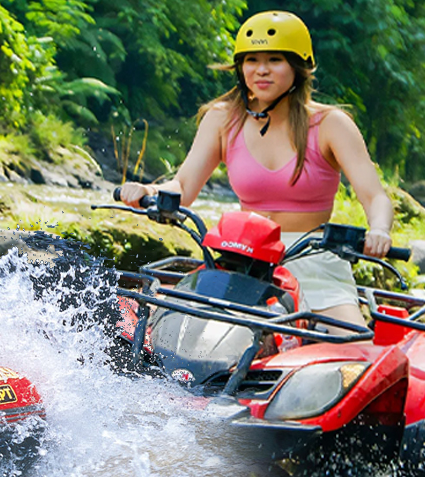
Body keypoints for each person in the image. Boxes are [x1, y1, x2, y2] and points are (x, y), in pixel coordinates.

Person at [118, 11, 394, 329]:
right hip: (242, 257)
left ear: (298, 67)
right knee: (174, 330)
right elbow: (183, 185)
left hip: (314, 261)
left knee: (351, 343)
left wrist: (379, 231)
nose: (261, 70)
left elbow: (375, 198)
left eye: (274, 60)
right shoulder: (222, 119)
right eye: (251, 60)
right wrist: (150, 192)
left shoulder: (331, 125)